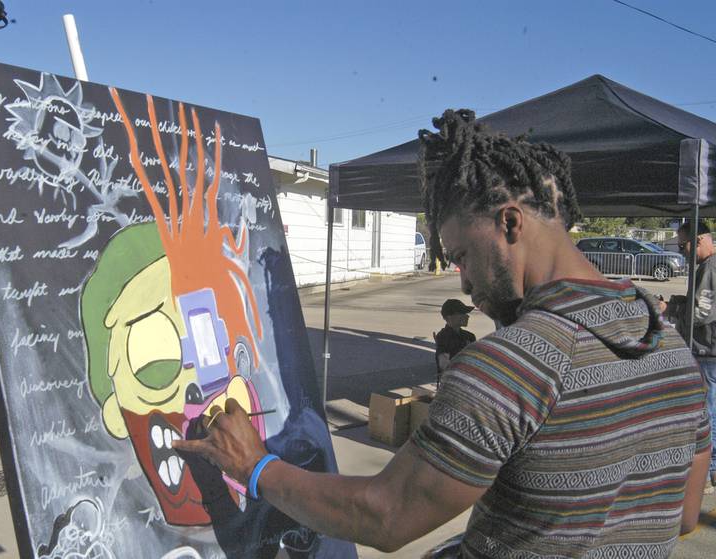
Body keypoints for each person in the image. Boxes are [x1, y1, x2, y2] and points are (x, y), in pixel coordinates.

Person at [173, 109, 711, 557]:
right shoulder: (672, 349)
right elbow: (685, 515)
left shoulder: (511, 366)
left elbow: (384, 516)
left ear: (509, 224)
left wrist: (254, 465)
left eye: (460, 255)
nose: (464, 279)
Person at [663, 220, 716, 489]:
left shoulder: (709, 268)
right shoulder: (707, 267)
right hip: (709, 350)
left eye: (683, 245)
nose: (682, 251)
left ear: (698, 241)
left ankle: (706, 474)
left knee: (707, 413)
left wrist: (671, 310)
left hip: (708, 352)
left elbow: (701, 313)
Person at [433, 298, 475, 386]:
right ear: (449, 317)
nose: (467, 316)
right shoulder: (443, 337)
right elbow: (444, 365)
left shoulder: (469, 336)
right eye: (462, 313)